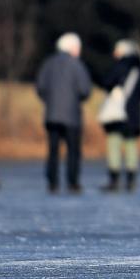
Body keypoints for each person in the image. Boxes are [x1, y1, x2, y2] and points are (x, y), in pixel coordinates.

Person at [35, 32, 93, 194]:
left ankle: (52, 182)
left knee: (53, 150)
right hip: (72, 117)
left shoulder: (48, 64)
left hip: (52, 115)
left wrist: (50, 101)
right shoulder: (77, 65)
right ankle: (72, 182)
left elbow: (40, 87)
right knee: (73, 150)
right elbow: (85, 90)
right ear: (72, 48)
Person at [98, 40, 140, 192]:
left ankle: (114, 180)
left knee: (114, 144)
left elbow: (106, 83)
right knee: (131, 146)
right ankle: (131, 180)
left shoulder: (118, 67)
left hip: (116, 114)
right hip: (133, 115)